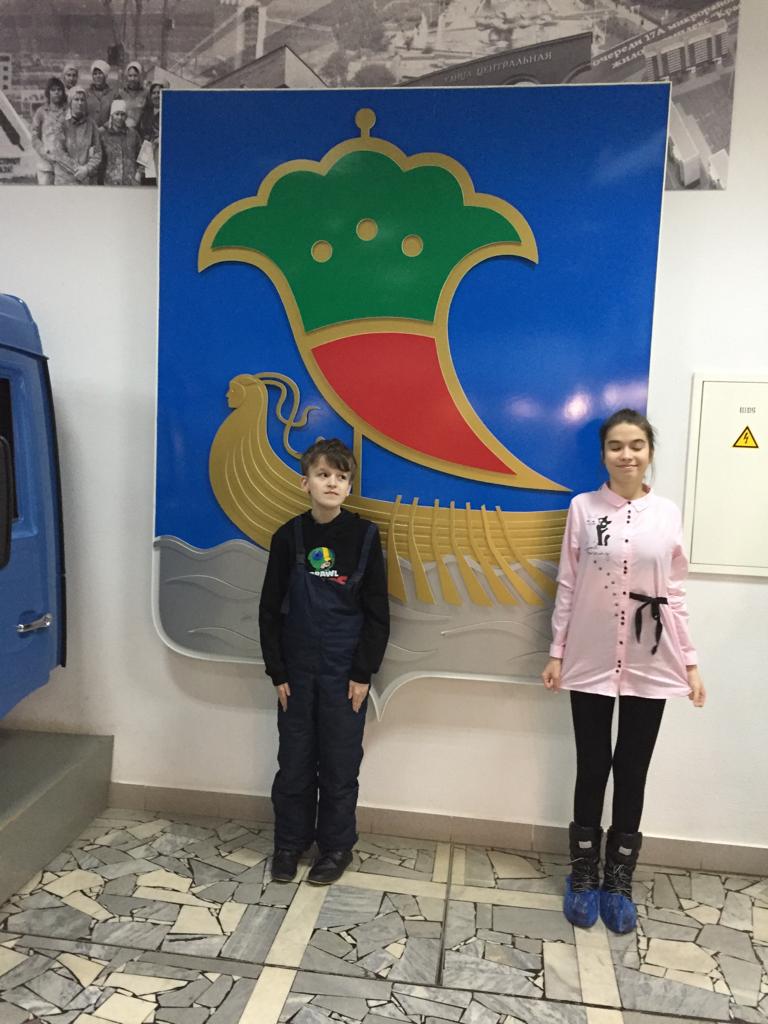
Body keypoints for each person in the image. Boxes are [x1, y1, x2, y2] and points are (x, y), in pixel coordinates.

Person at [541, 409, 705, 934]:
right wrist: (557, 651)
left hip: (650, 656)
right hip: (590, 654)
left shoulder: (667, 513)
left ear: (650, 451)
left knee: (633, 768)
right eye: (616, 446)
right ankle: (583, 873)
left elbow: (674, 594)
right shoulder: (583, 509)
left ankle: (618, 880)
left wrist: (691, 662)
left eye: (636, 445)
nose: (627, 454)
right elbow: (569, 584)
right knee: (592, 765)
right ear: (603, 454)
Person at [259, 438, 390, 886]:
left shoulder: (365, 537)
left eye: (341, 476)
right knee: (294, 762)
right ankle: (289, 844)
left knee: (339, 764)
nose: (332, 483)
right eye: (323, 474)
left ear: (349, 487)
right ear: (306, 483)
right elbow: (269, 610)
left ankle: (335, 848)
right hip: (295, 673)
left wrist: (362, 672)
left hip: (343, 672)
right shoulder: (287, 537)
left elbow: (377, 613)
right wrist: (277, 671)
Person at [53, 84, 101, 185]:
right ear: (70, 102)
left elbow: (97, 152)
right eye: (76, 99)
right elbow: (59, 152)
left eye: (82, 100)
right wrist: (77, 169)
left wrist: (86, 169)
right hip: (65, 179)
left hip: (85, 179)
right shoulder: (61, 123)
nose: (80, 103)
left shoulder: (91, 125)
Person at [31, 77, 68, 185]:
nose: (56, 92)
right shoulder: (41, 112)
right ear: (48, 92)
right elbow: (34, 136)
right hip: (46, 165)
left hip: (64, 164)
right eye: (53, 90)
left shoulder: (68, 112)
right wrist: (44, 151)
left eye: (59, 90)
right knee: (46, 194)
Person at [100, 99, 140, 186]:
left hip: (132, 182)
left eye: (122, 114)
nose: (119, 117)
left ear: (126, 116)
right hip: (111, 182)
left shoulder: (133, 134)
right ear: (112, 116)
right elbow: (100, 161)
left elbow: (142, 156)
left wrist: (140, 172)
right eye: (117, 114)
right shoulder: (104, 136)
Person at [136, 80, 166, 185]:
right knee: (147, 185)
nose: (157, 95)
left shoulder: (169, 112)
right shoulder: (145, 114)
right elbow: (139, 133)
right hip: (146, 154)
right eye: (154, 93)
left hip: (162, 155)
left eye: (159, 92)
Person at [86, 59, 115, 127]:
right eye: (95, 74)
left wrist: (104, 127)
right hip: (89, 130)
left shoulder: (113, 94)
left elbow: (115, 115)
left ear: (105, 75)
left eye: (100, 73)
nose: (97, 76)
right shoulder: (86, 93)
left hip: (107, 131)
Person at [120, 60, 146, 129]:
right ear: (127, 76)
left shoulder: (145, 93)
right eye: (130, 76)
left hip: (140, 131)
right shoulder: (121, 93)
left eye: (135, 76)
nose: (132, 79)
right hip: (123, 130)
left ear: (140, 76)